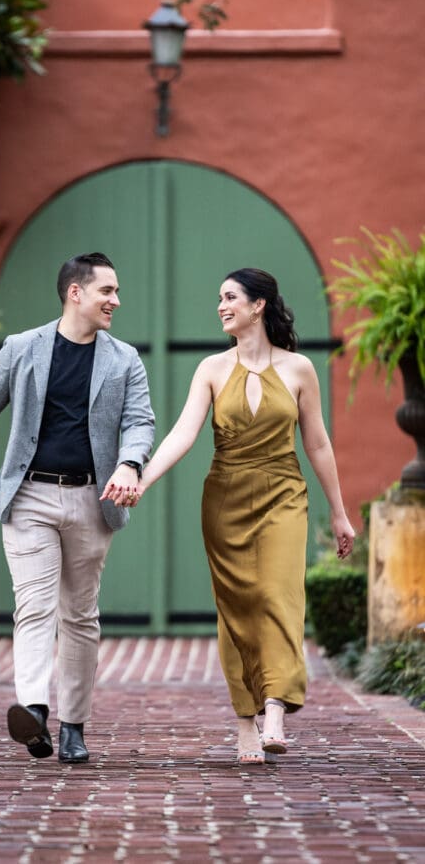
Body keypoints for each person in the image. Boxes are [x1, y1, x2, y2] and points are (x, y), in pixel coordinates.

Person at [0, 252, 154, 764]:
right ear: (75, 293)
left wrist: (130, 463)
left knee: (80, 615)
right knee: (34, 606)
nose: (116, 301)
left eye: (117, 291)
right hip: (29, 497)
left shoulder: (124, 358)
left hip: (92, 498)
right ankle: (35, 710)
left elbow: (140, 422)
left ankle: (73, 726)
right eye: (108, 290)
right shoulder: (22, 349)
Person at [102, 267, 354, 765]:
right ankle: (245, 722)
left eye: (230, 297)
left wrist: (341, 515)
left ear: (258, 305)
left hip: (284, 493)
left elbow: (318, 444)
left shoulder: (300, 369)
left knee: (277, 593)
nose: (221, 306)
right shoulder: (212, 369)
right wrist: (141, 478)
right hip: (225, 498)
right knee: (236, 608)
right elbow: (182, 433)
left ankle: (276, 707)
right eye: (220, 298)